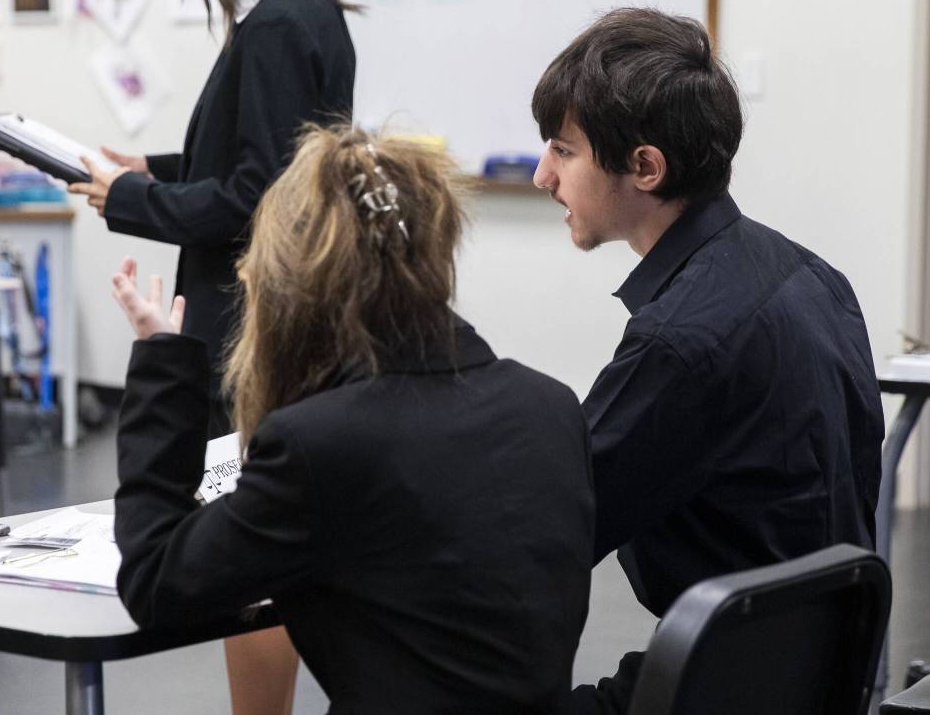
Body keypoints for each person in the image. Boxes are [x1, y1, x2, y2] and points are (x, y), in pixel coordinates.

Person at [109, 124, 596, 714]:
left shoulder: (321, 443)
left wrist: (164, 366)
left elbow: (157, 586)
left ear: (299, 280)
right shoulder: (548, 405)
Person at [530, 8, 885, 714]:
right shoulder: (813, 277)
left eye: (564, 151)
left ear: (645, 167)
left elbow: (554, 523)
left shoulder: (681, 342)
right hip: (816, 674)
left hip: (722, 683)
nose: (543, 175)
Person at [68, 0, 357, 712]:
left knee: (253, 545)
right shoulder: (311, 9)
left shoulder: (276, 23)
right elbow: (263, 158)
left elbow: (257, 195)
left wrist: (130, 198)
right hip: (284, 311)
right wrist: (154, 169)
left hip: (250, 322)